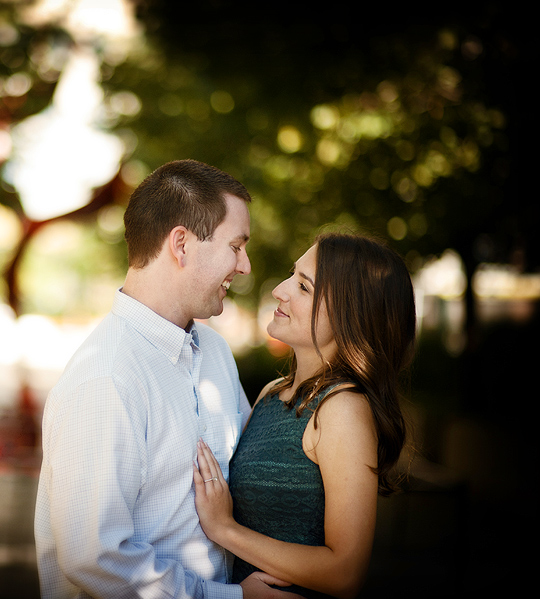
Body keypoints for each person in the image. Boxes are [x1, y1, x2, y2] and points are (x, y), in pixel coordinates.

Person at [35, 160, 291, 598]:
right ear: (181, 244)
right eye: (236, 245)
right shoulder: (107, 378)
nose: (245, 266)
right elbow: (95, 559)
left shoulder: (215, 354)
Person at [193, 232, 416, 599]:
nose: (280, 290)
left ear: (350, 315)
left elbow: (345, 573)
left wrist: (225, 529)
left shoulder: (340, 409)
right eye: (291, 276)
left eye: (304, 287)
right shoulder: (271, 393)